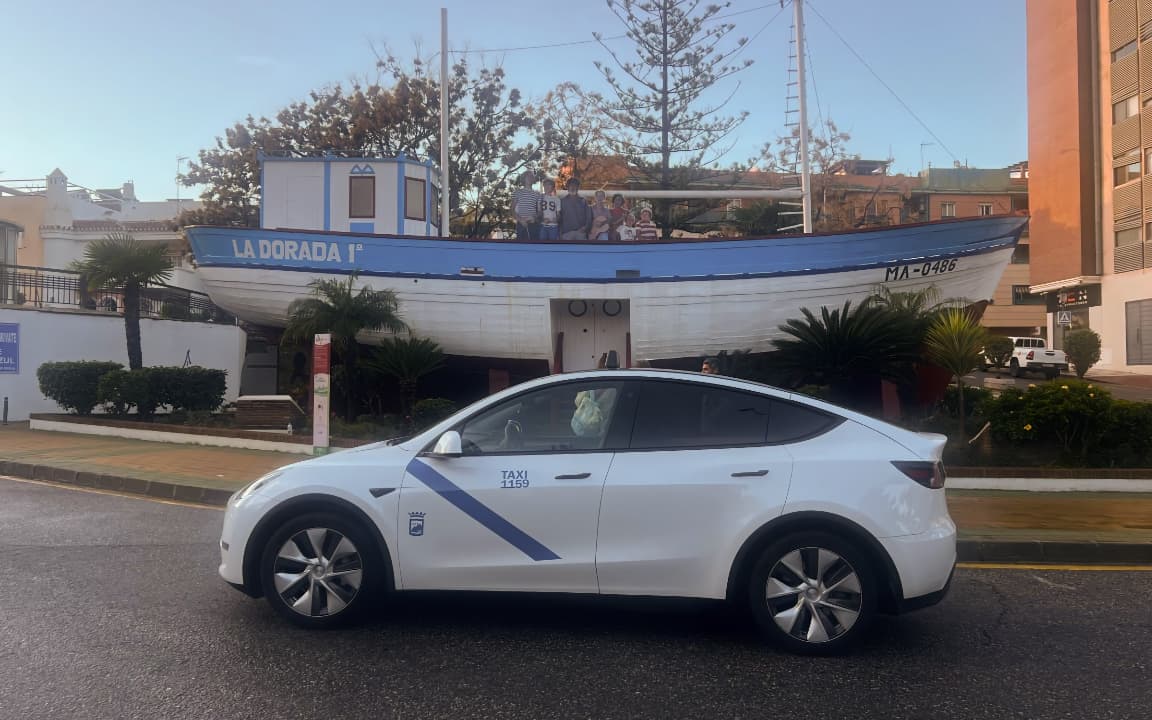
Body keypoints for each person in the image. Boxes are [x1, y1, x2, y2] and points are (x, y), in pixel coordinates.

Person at [510, 171, 542, 240]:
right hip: (521, 224)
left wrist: (534, 217)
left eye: (532, 176)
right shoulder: (517, 192)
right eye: (528, 176)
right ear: (524, 178)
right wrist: (520, 220)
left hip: (533, 224)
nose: (530, 178)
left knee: (534, 247)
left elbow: (540, 211)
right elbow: (512, 210)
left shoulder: (537, 194)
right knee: (521, 247)